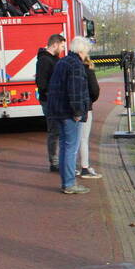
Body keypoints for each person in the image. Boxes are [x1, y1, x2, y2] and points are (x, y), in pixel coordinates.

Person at [46, 36, 91, 194]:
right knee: (71, 147)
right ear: (81, 50)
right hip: (69, 113)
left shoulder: (62, 62)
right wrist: (78, 112)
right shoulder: (76, 65)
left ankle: (67, 182)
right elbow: (75, 91)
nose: (86, 55)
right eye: (86, 51)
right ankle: (70, 183)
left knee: (65, 147)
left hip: (57, 110)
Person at [35, 33, 66, 172]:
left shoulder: (53, 59)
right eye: (62, 46)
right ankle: (54, 162)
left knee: (57, 131)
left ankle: (57, 160)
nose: (63, 49)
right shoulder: (44, 61)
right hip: (50, 101)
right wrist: (52, 95)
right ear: (55, 44)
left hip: (54, 100)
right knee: (54, 131)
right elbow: (41, 83)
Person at [76, 55, 102, 179]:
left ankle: (70, 166)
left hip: (70, 108)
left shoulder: (68, 66)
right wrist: (90, 100)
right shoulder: (87, 69)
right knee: (83, 139)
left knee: (70, 140)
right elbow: (95, 90)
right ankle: (84, 167)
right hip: (85, 107)